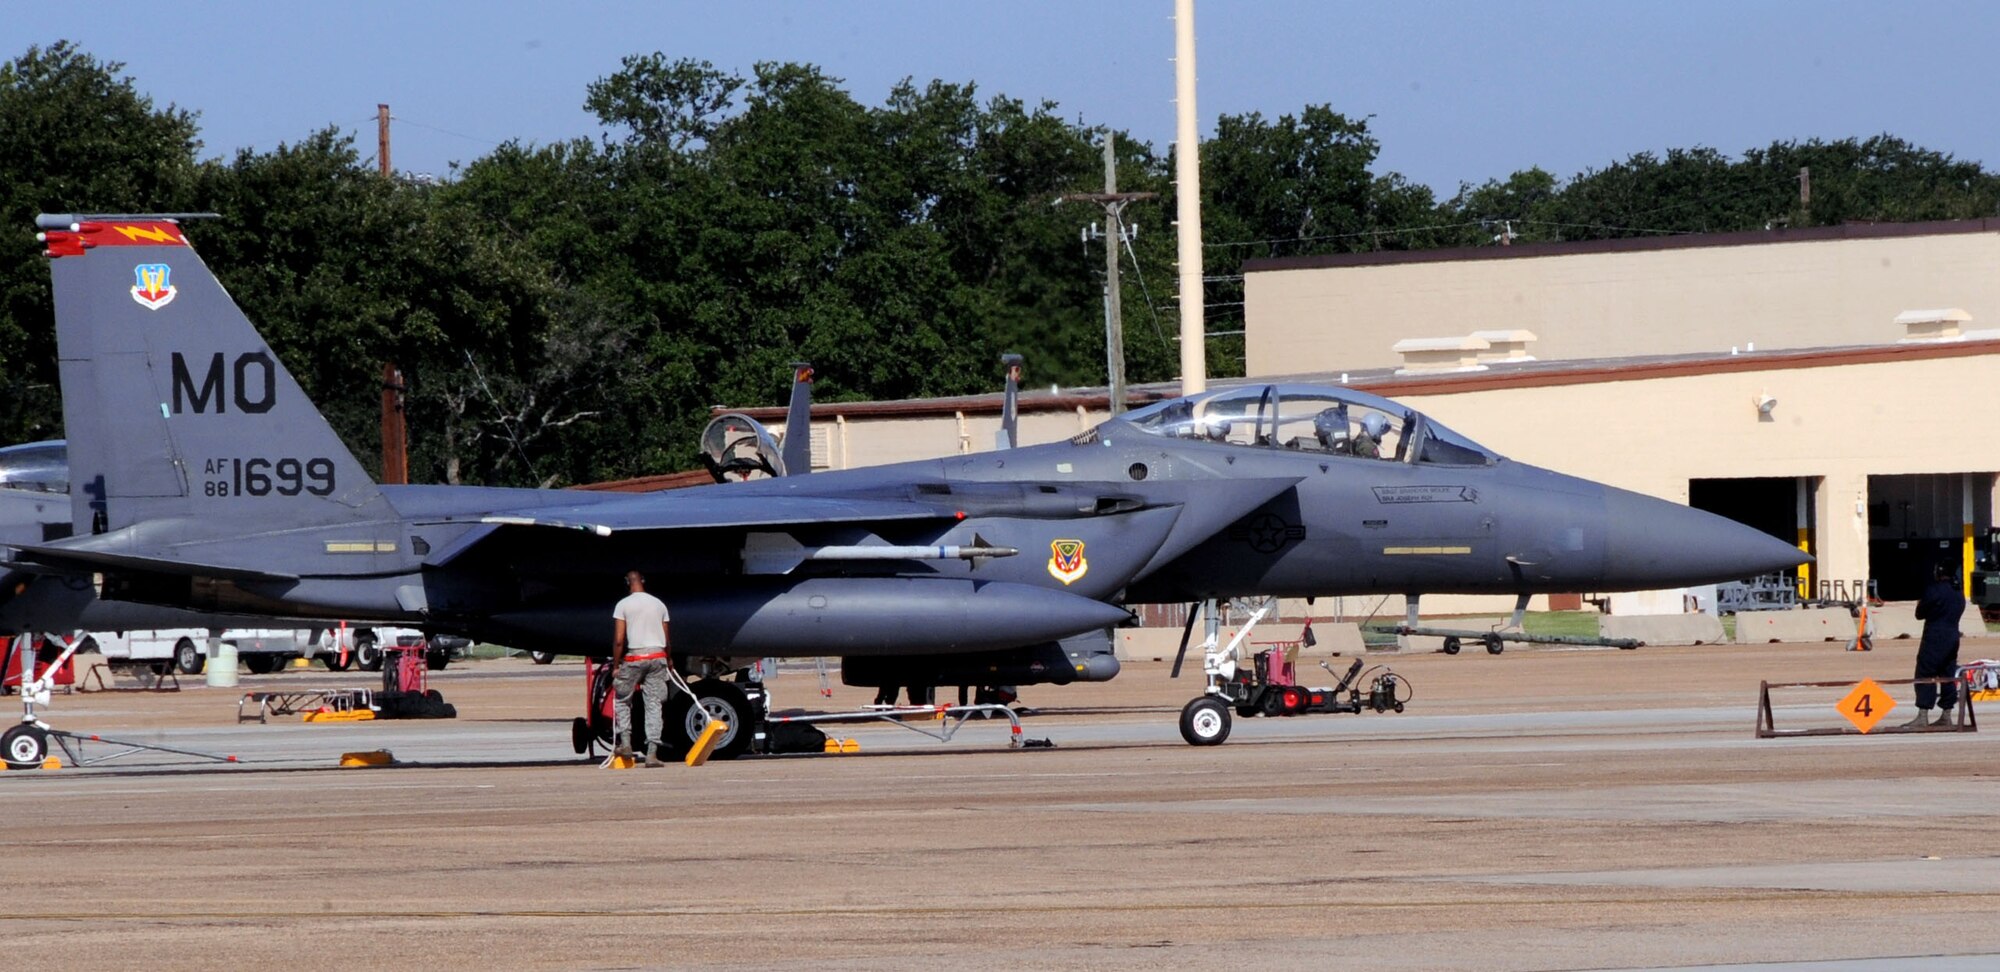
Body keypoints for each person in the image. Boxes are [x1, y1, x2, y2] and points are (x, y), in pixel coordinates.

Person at [611, 570, 673, 765]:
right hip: (657, 657)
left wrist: (616, 665)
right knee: (654, 704)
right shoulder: (659, 604)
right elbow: (667, 640)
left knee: (622, 699)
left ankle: (626, 744)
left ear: (627, 583)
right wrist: (669, 660)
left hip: (635, 657)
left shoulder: (623, 605)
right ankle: (652, 754)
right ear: (643, 581)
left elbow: (619, 640)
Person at [1902, 561, 1965, 728]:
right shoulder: (1958, 592)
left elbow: (1919, 613)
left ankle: (1923, 714)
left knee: (1925, 673)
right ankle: (1947, 714)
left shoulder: (1934, 590)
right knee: (1948, 675)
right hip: (1953, 637)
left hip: (1934, 637)